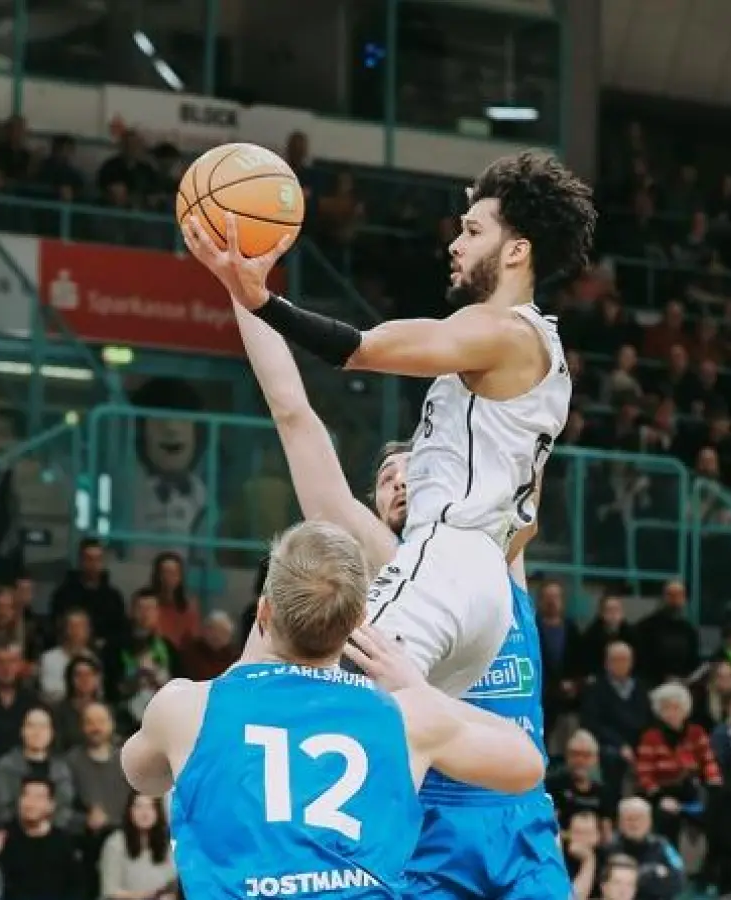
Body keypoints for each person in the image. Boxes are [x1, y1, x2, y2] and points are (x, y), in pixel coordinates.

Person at [221, 199, 567, 900]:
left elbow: (522, 446)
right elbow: (294, 413)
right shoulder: (390, 560)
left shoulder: (493, 543)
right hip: (431, 837)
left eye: (412, 465)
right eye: (386, 476)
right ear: (375, 509)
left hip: (523, 833)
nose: (401, 478)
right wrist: (242, 297)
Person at [181, 149, 594, 696]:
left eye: (472, 230)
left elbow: (361, 348)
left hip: (443, 561)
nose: (455, 242)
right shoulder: (548, 350)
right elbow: (529, 520)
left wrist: (261, 300)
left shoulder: (498, 330)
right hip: (488, 595)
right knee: (392, 749)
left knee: (318, 706)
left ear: (517, 250)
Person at [121, 521, 546, 899]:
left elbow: (141, 775)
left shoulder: (185, 707)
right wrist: (419, 688)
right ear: (359, 619)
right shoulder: (405, 716)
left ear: (264, 611)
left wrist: (242, 666)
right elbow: (526, 763)